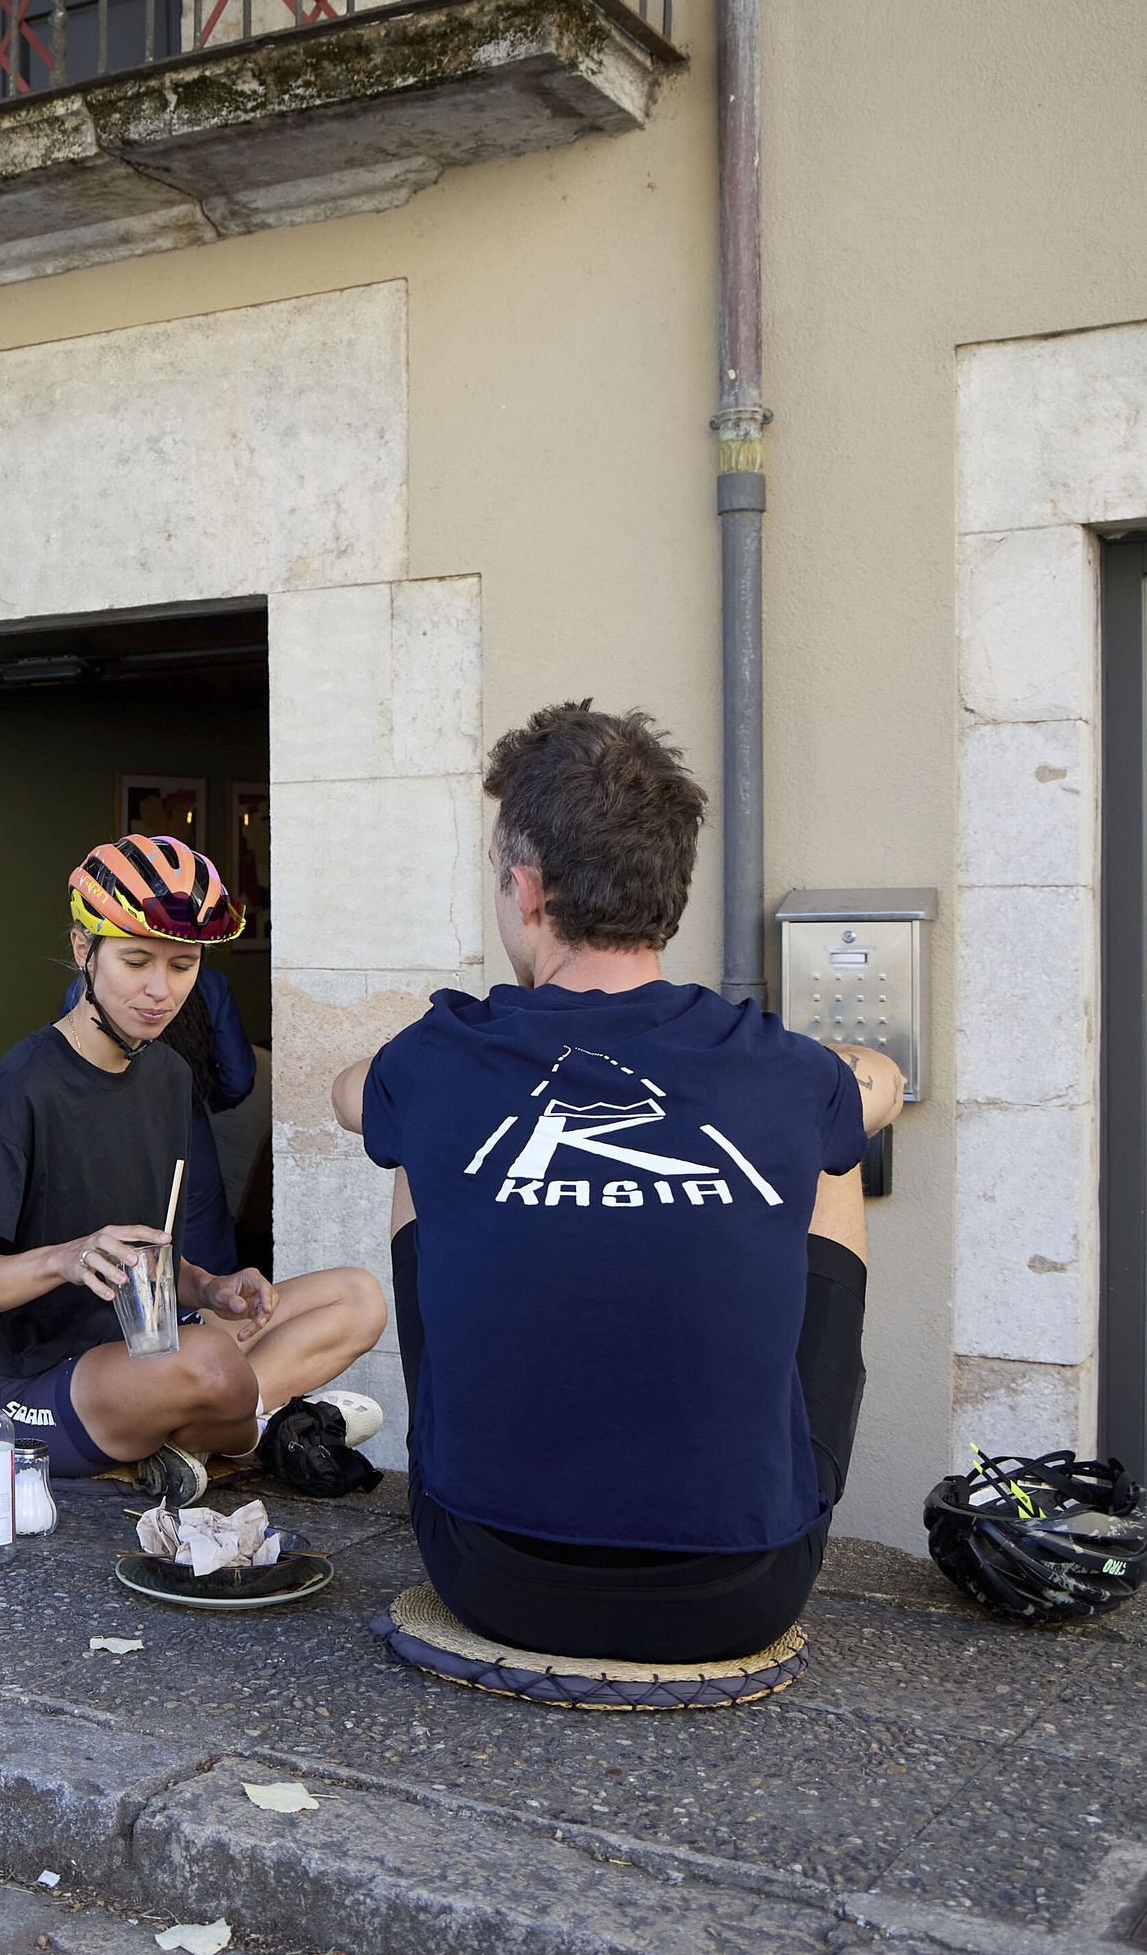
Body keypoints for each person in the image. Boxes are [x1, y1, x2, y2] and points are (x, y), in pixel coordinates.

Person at [332, 702, 905, 1664]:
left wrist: (404, 1084)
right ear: (667, 886)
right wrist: (851, 1080)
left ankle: (479, 1465)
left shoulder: (438, 1058)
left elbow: (354, 1098)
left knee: (416, 1152)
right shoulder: (785, 1068)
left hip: (490, 1573)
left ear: (525, 888)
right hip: (742, 1591)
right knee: (828, 1154)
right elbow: (875, 1085)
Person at [0, 834, 390, 1508]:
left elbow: (148, 1263)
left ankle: (203, 1437)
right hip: (30, 1387)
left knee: (356, 1297)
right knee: (212, 1366)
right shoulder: (21, 1087)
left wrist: (210, 1288)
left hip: (145, 1344)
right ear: (84, 950)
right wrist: (65, 1258)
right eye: (136, 960)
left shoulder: (169, 1075)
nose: (159, 990)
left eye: (183, 966)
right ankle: (260, 1430)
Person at [55, 960, 256, 1275]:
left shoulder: (92, 982)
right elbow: (239, 1078)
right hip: (189, 1130)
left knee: (121, 1264)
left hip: (111, 1130)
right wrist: (205, 1098)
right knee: (208, 1273)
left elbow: (72, 1075)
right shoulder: (208, 982)